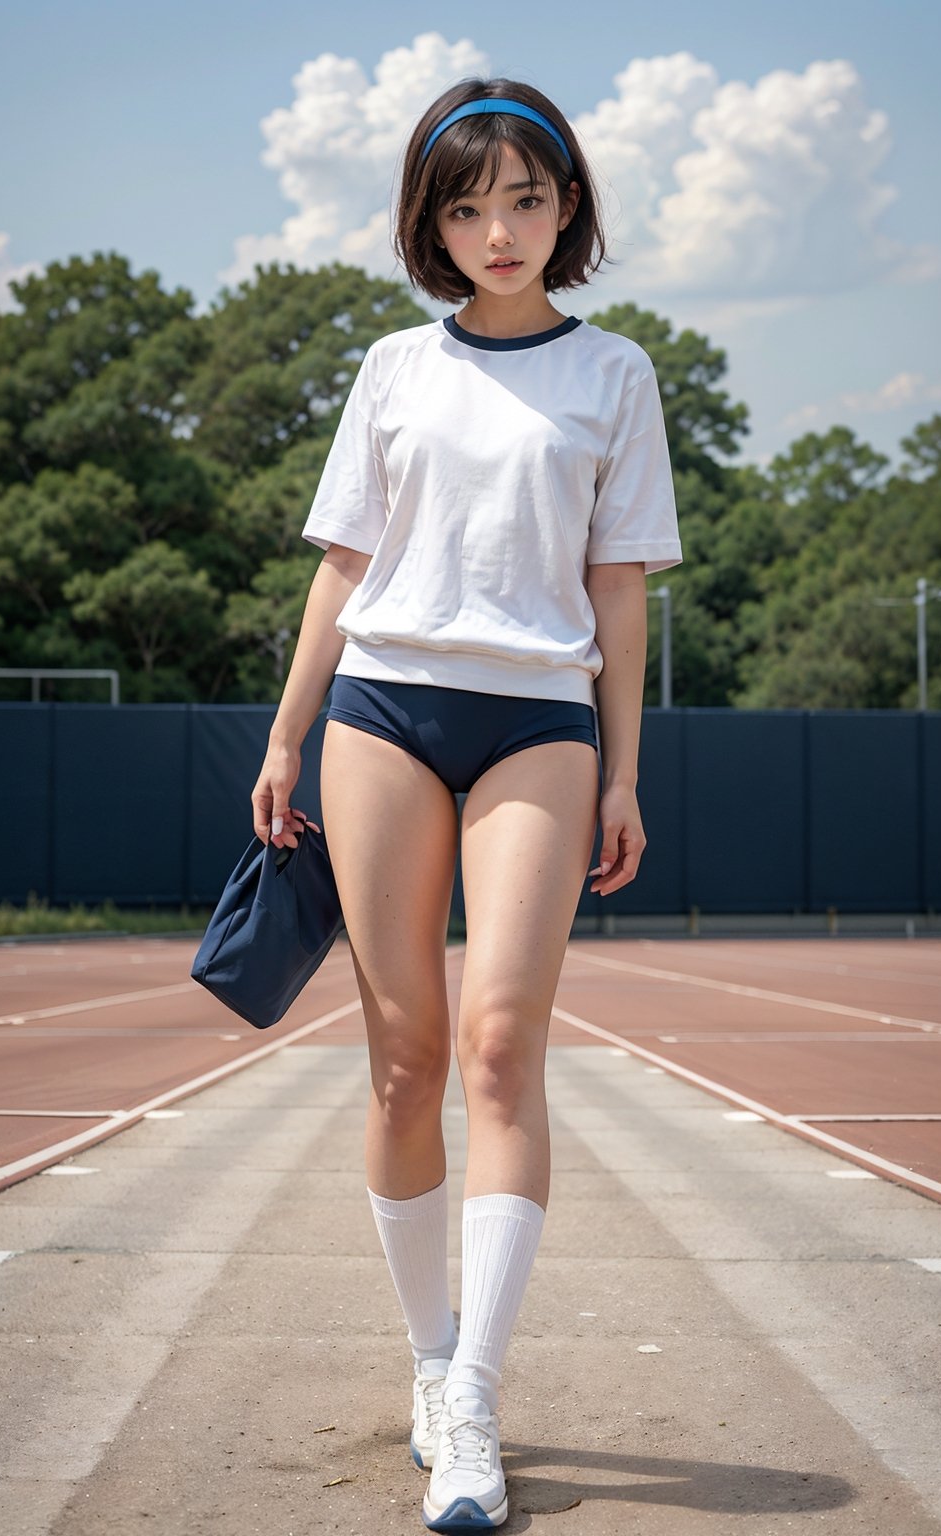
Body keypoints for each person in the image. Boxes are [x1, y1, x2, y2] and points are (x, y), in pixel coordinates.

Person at [250, 76, 682, 1534]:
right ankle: (428, 1362)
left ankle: (478, 1403)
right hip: (380, 709)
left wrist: (624, 768)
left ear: (570, 211)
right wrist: (287, 730)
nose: (499, 230)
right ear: (432, 224)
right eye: (467, 205)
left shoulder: (616, 373)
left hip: (540, 720)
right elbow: (342, 566)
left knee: (502, 1041)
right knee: (401, 1054)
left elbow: (617, 587)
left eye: (526, 200)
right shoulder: (392, 366)